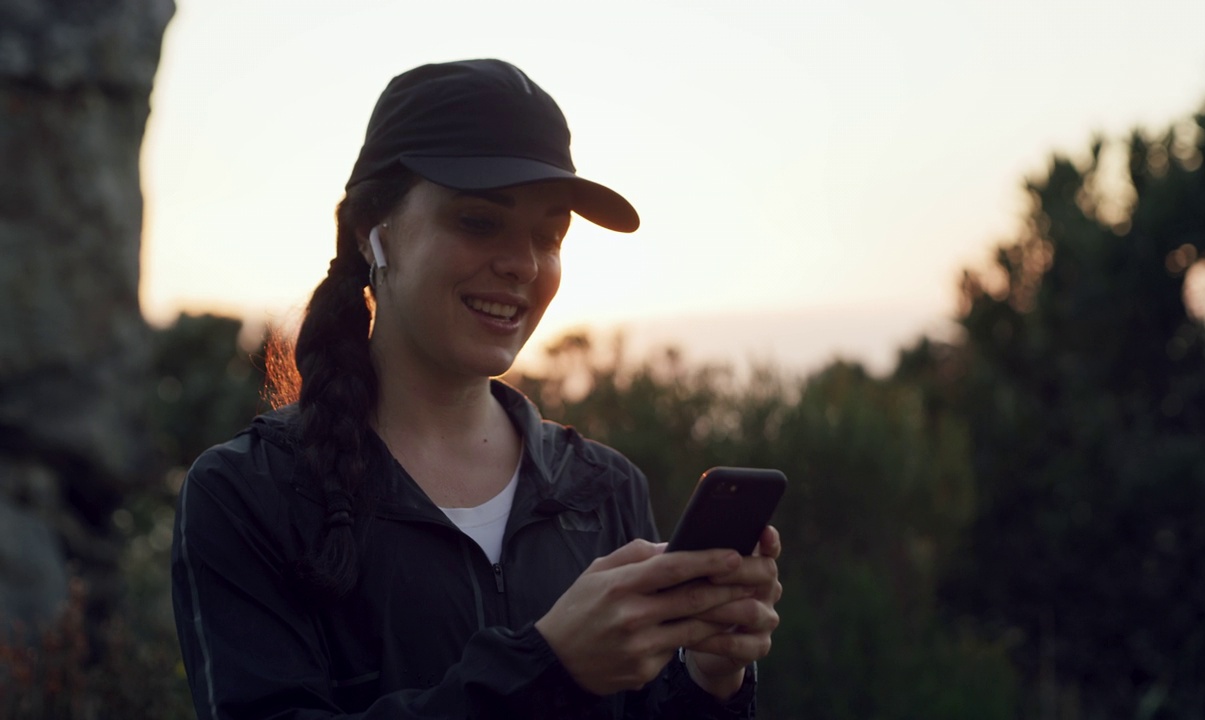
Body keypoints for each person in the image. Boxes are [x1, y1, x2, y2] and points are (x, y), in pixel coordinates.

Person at [170, 59, 782, 719]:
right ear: (372, 231)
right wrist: (549, 667)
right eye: (479, 222)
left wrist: (711, 677)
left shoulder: (603, 490)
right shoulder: (247, 492)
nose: (522, 264)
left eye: (548, 236)